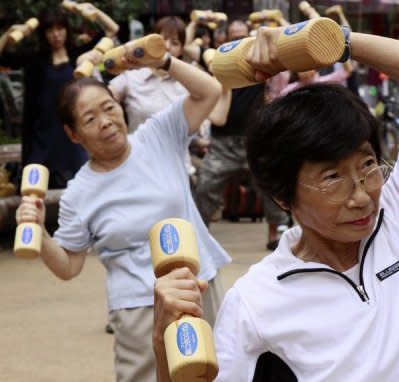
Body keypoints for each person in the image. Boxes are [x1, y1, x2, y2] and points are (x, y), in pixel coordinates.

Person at [152, 25, 399, 381]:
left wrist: (327, 41)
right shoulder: (256, 302)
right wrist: (163, 342)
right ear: (282, 195)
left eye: (367, 165)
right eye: (332, 178)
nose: (362, 196)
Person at [15, 47, 230, 382]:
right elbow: (69, 265)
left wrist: (163, 61)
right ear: (73, 135)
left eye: (109, 107)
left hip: (198, 286)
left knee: (221, 373)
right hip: (139, 309)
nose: (105, 122)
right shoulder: (78, 193)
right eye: (89, 119)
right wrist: (39, 233)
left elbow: (210, 91)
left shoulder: (158, 135)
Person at [193, 19, 290, 250]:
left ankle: (274, 235)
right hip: (222, 142)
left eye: (242, 35)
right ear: (225, 39)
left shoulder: (261, 60)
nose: (238, 39)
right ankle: (198, 235)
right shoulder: (216, 61)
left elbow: (287, 40)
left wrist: (274, 22)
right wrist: (197, 21)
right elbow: (188, 46)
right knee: (205, 186)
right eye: (233, 35)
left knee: (271, 184)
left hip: (254, 140)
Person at [0, 6, 118, 189]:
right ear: (44, 34)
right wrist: (9, 33)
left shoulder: (77, 56)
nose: (56, 35)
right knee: (35, 192)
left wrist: (87, 10)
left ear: (66, 30)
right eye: (50, 30)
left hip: (72, 137)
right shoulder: (34, 60)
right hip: (40, 138)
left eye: (60, 28)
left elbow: (112, 30)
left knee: (79, 191)